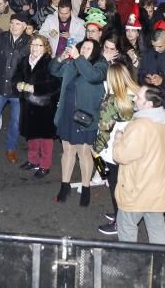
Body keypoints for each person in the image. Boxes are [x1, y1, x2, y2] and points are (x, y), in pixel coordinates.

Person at [112, 85, 165, 245]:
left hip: (138, 188)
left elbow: (121, 155)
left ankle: (129, 265)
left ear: (149, 104)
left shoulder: (140, 125)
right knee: (157, 228)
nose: (134, 98)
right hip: (158, 188)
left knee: (127, 227)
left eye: (139, 97)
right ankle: (160, 264)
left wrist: (119, 138)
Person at [50, 38, 108, 206]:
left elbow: (93, 76)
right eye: (83, 47)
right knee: (67, 150)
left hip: (86, 116)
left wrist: (78, 58)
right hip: (67, 114)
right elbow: (53, 70)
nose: (84, 50)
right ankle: (64, 185)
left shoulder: (100, 65)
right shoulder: (73, 63)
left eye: (89, 48)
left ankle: (86, 187)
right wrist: (61, 58)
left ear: (96, 51)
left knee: (84, 152)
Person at [93, 56, 139, 235]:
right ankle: (120, 215)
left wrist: (95, 149)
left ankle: (120, 223)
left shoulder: (112, 101)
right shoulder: (136, 95)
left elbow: (104, 130)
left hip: (111, 151)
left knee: (114, 187)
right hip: (130, 150)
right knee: (123, 186)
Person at [0, 13, 31, 164]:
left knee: (16, 121)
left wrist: (27, 85)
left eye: (18, 23)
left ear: (24, 26)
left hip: (18, 90)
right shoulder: (0, 38)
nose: (14, 26)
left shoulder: (30, 42)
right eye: (12, 23)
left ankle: (11, 148)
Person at [13, 33, 60, 177]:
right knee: (32, 135)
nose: (35, 48)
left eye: (39, 45)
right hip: (28, 104)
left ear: (45, 48)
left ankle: (45, 165)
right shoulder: (24, 60)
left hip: (45, 105)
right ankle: (33, 161)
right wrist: (18, 84)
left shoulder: (51, 63)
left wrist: (34, 88)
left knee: (45, 138)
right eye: (33, 45)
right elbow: (16, 77)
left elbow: (56, 84)